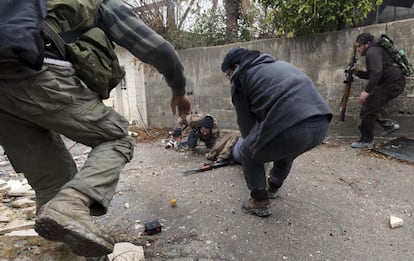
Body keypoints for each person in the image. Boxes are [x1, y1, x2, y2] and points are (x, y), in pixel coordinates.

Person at [0, 0, 191, 258]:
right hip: (38, 74)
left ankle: (72, 241)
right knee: (116, 139)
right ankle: (72, 204)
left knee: (53, 182)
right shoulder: (93, 3)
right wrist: (179, 91)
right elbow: (159, 50)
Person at [221, 47, 332, 217]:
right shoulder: (277, 65)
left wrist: (255, 149)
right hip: (321, 125)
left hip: (290, 125)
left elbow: (246, 124)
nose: (229, 79)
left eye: (228, 74)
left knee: (248, 152)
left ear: (235, 66)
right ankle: (273, 186)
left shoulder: (240, 76)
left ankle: (259, 202)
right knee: (285, 149)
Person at [351, 32, 405, 148]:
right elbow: (373, 74)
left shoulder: (372, 51)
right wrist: (358, 72)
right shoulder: (375, 50)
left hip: (392, 83)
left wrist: (366, 91)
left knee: (368, 107)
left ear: (366, 44)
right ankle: (389, 125)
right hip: (393, 82)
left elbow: (376, 72)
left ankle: (366, 140)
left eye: (359, 46)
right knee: (370, 105)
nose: (358, 49)